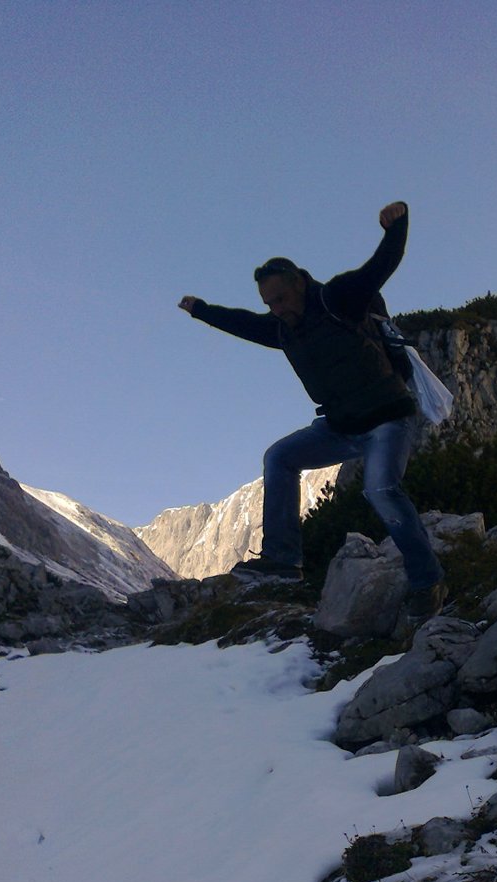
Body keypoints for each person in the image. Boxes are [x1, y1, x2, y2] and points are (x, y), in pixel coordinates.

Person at [178, 201, 447, 621]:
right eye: (270, 304)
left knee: (380, 490)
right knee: (279, 457)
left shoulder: (338, 298)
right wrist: (200, 310)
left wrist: (397, 226)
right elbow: (244, 322)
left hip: (387, 419)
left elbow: (381, 266)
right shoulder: (283, 329)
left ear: (299, 283)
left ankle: (427, 582)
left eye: (281, 298)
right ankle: (284, 563)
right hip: (339, 427)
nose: (277, 309)